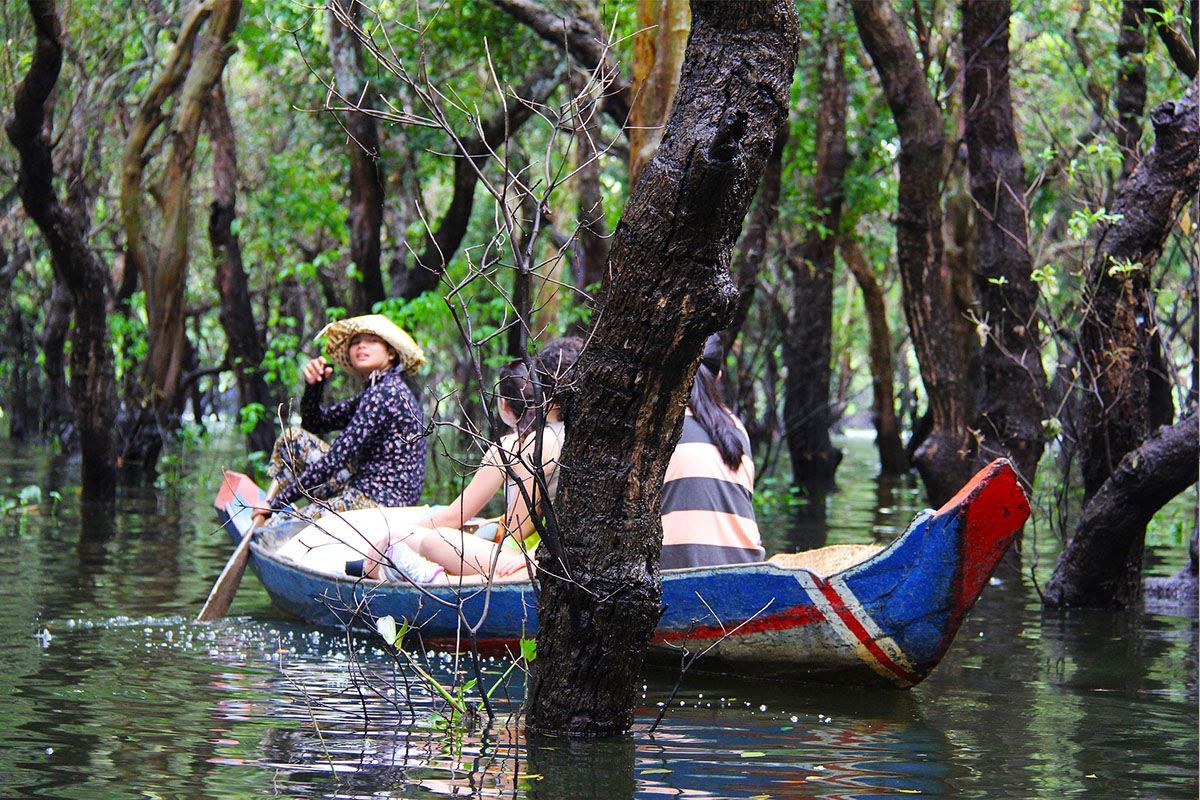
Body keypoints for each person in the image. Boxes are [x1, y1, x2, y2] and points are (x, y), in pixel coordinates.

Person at [252, 314, 427, 528]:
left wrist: (279, 502)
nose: (361, 346)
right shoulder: (376, 390)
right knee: (292, 439)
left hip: (380, 504)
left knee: (281, 528)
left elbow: (336, 459)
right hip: (361, 488)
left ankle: (270, 510)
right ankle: (270, 505)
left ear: (391, 353)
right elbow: (316, 424)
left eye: (372, 340)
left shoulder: (386, 392)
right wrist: (314, 387)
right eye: (355, 342)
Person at [659, 334, 764, 569]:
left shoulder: (658, 426)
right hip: (747, 570)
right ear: (718, 376)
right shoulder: (736, 429)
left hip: (677, 572)